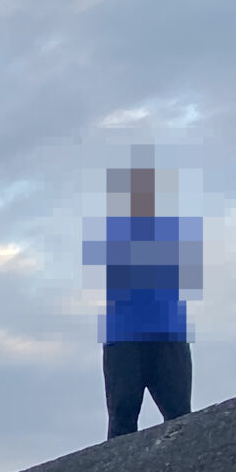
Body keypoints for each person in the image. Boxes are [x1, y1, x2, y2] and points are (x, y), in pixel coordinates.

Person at [87, 150, 199, 439]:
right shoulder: (117, 230)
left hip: (166, 330)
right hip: (125, 334)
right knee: (123, 418)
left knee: (179, 416)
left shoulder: (169, 228)